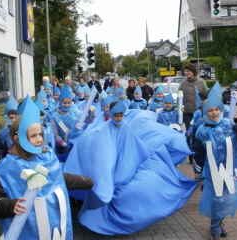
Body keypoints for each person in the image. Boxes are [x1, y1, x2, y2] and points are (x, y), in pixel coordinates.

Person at [62, 100, 197, 235]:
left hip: (126, 165)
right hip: (111, 167)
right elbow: (104, 154)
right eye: (116, 116)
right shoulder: (105, 130)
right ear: (112, 114)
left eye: (121, 115)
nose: (119, 118)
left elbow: (136, 145)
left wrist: (152, 155)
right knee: (111, 188)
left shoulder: (125, 126)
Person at [0, 99, 93, 240]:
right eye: (33, 136)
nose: (40, 140)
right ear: (17, 138)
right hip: (28, 231)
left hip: (55, 229)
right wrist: (10, 205)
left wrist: (87, 182)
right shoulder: (8, 167)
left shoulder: (47, 157)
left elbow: (58, 178)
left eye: (40, 134)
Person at [192, 90, 237, 240]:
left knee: (227, 198)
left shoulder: (229, 125)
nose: (214, 113)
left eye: (216, 109)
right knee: (216, 199)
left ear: (221, 110)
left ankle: (219, 223)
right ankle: (214, 229)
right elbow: (198, 153)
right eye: (210, 110)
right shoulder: (202, 131)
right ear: (204, 113)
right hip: (213, 172)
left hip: (230, 169)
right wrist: (197, 173)